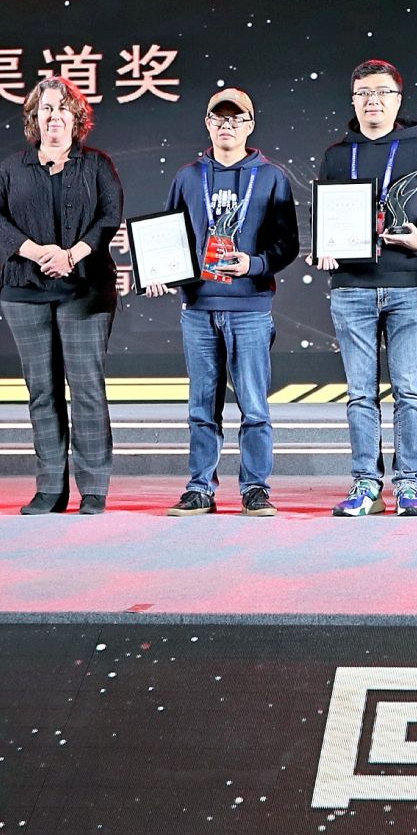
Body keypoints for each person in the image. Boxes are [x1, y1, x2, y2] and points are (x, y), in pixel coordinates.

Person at [146, 87, 301, 518]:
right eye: (219, 118)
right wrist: (159, 271)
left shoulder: (271, 177)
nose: (226, 126)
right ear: (208, 124)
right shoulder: (188, 176)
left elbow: (287, 243)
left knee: (254, 406)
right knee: (201, 407)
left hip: (250, 307)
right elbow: (170, 236)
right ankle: (200, 488)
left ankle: (256, 489)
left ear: (250, 125)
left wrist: (254, 264)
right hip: (198, 308)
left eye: (236, 119)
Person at [314, 58, 417, 517]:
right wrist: (323, 247)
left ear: (398, 100)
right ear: (353, 100)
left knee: (409, 390)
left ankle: (409, 485)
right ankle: (366, 486)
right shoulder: (337, 155)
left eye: (381, 93)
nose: (372, 101)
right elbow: (322, 213)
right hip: (351, 287)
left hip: (405, 285)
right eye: (363, 93)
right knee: (360, 394)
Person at [0, 76, 124, 516]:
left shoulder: (97, 164)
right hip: (26, 290)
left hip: (86, 289)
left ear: (76, 117)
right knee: (42, 391)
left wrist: (71, 255)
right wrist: (35, 252)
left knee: (86, 388)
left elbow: (109, 216)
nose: (54, 116)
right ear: (34, 117)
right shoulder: (12, 167)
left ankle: (93, 487)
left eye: (63, 108)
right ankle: (50, 488)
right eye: (45, 108)